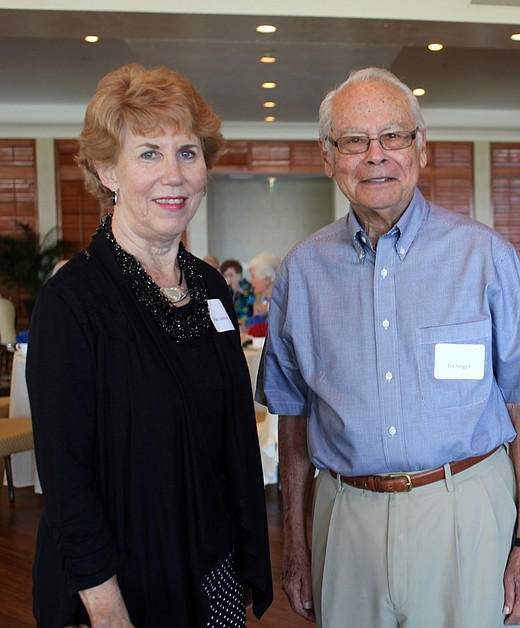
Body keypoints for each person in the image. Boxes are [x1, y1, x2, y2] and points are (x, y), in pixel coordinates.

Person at [260, 67, 520, 627]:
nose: (375, 155)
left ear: (421, 147)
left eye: (393, 136)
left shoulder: (485, 257)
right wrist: (296, 546)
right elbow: (293, 419)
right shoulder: (301, 272)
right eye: (354, 140)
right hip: (345, 517)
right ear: (329, 158)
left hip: (466, 509)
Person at [27, 63, 273, 626]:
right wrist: (106, 606)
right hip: (125, 583)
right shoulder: (73, 302)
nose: (175, 174)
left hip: (212, 569)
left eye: (187, 152)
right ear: (106, 170)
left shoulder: (209, 286)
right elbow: (66, 479)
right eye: (148, 154)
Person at [244, 251, 280, 328]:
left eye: (253, 276)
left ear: (266, 280)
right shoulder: (262, 299)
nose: (251, 281)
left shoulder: (280, 303)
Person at [220, 258, 255, 325]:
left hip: (246, 320)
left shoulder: (247, 284)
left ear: (239, 274)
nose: (229, 278)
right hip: (232, 321)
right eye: (226, 276)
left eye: (231, 275)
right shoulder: (228, 288)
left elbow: (252, 299)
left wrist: (239, 289)